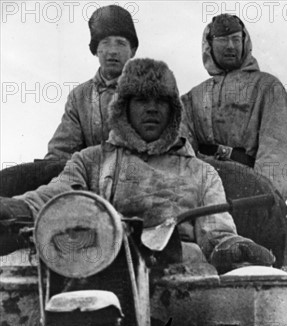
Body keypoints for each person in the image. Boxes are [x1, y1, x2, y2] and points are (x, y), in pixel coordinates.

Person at [0, 58, 273, 272]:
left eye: (160, 101)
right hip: (104, 271)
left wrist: (235, 247)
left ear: (173, 111)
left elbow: (217, 235)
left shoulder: (202, 173)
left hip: (181, 280)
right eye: (142, 100)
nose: (152, 109)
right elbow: (54, 197)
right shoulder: (92, 160)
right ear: (124, 108)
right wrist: (16, 207)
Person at [181, 14, 287, 201]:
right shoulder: (192, 98)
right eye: (223, 40)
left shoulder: (267, 88)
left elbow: (279, 149)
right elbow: (181, 149)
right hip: (202, 191)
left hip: (248, 189)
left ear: (245, 43)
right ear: (209, 45)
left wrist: (261, 197)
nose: (230, 46)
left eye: (236, 39)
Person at [45, 5, 138, 161]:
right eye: (105, 43)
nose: (112, 50)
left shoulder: (149, 91)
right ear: (95, 50)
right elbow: (61, 152)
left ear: (133, 51)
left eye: (121, 43)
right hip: (89, 180)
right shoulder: (80, 96)